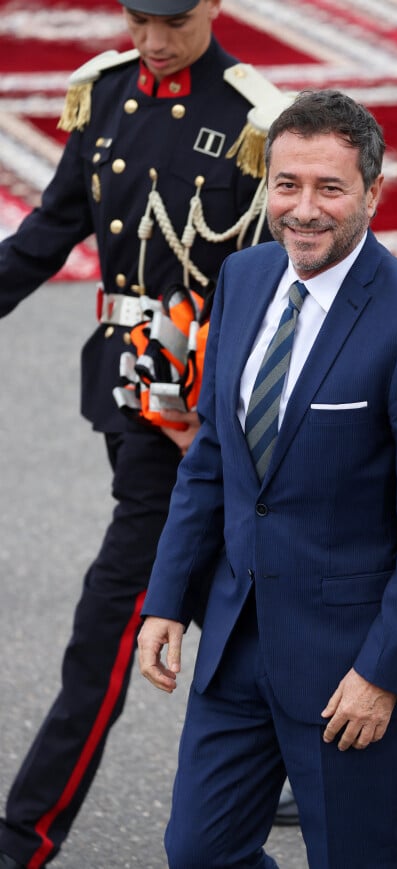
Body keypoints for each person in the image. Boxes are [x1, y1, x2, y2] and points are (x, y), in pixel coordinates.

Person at [138, 88, 397, 868]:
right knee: (199, 853)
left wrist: (383, 673)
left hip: (349, 669)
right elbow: (215, 457)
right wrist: (167, 596)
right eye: (286, 184)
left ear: (373, 190)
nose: (303, 209)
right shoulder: (244, 277)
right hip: (236, 638)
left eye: (329, 187)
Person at [0, 1, 298, 866]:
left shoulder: (253, 118)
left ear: (212, 4)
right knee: (219, 575)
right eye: (137, 16)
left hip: (197, 409)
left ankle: (26, 833)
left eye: (172, 19)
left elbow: (286, 278)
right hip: (122, 390)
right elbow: (53, 228)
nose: (153, 38)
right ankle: (295, 742)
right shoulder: (103, 93)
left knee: (117, 606)